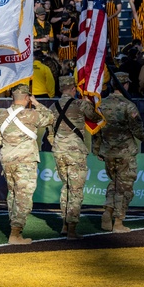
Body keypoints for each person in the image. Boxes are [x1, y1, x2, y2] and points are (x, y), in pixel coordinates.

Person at [0, 84, 52, 244]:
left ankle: (14, 226)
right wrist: (37, 103)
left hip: (7, 158)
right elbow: (50, 117)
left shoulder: (1, 115)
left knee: (12, 194)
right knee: (24, 196)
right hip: (25, 160)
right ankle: (15, 233)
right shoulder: (31, 114)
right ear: (27, 98)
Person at [92, 72, 144, 233]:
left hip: (108, 152)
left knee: (115, 183)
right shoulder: (128, 105)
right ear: (125, 85)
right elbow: (137, 129)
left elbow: (96, 130)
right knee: (125, 187)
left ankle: (108, 211)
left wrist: (97, 149)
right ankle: (118, 222)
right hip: (125, 153)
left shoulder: (101, 105)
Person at [49, 76, 103, 239]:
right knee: (75, 190)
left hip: (59, 151)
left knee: (66, 188)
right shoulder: (80, 104)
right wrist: (88, 101)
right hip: (75, 152)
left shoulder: (53, 106)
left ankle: (65, 224)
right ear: (73, 89)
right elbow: (96, 118)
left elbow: (49, 131)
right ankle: (72, 228)